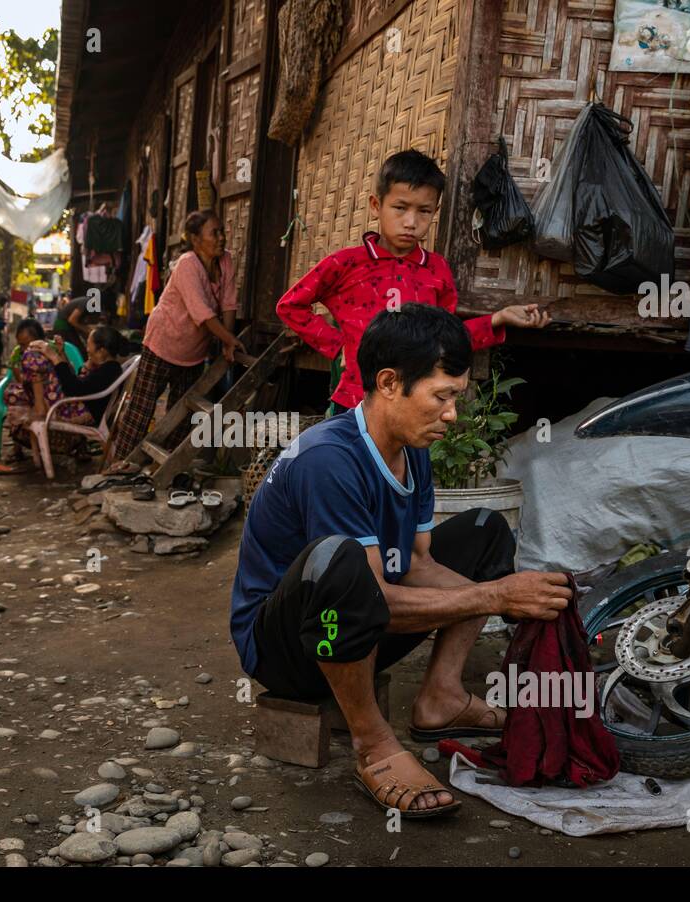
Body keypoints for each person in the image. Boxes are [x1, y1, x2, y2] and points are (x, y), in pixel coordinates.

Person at [230, 304, 572, 818]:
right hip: (291, 648)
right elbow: (366, 591)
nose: (452, 414)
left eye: (456, 397)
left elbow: (416, 562)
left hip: (361, 619)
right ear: (389, 383)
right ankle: (373, 745)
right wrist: (495, 596)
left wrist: (504, 595)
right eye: (442, 396)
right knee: (339, 559)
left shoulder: (412, 449)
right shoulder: (329, 458)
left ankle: (442, 698)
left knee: (485, 531)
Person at [277, 148, 552, 415]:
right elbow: (290, 306)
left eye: (424, 211)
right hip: (356, 399)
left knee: (403, 463)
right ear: (376, 205)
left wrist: (498, 318)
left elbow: (446, 337)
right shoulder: (347, 263)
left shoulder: (436, 269)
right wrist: (339, 344)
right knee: (349, 460)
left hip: (414, 405)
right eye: (400, 207)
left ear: (435, 211)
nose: (411, 222)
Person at [106, 210, 244, 473]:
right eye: (214, 233)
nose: (221, 238)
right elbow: (201, 313)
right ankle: (119, 465)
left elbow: (228, 302)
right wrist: (228, 339)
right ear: (195, 239)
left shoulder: (225, 261)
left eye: (221, 232)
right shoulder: (187, 264)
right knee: (141, 407)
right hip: (162, 342)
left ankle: (162, 466)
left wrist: (228, 342)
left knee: (181, 413)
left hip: (193, 351)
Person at [2, 319, 90, 457]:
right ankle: (17, 447)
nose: (25, 349)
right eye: (21, 344)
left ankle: (81, 446)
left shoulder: (52, 348)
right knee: (12, 395)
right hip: (33, 393)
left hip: (57, 394)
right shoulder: (19, 353)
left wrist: (60, 354)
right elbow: (19, 378)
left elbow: (69, 373)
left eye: (28, 343)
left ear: (40, 340)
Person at [30, 325, 135, 426]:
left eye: (89, 345)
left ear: (101, 351)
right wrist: (62, 354)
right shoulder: (109, 368)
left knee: (33, 397)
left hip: (83, 412)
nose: (87, 349)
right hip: (82, 405)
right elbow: (76, 380)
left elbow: (73, 388)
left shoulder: (109, 371)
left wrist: (54, 357)